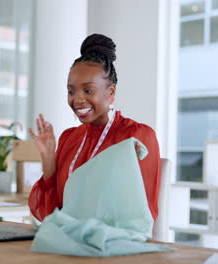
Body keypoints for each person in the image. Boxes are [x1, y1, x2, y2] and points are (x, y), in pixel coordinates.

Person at [28, 33, 161, 222]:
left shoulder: (136, 136)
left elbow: (141, 215)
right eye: (71, 91)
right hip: (68, 242)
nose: (78, 99)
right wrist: (49, 159)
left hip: (113, 245)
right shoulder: (69, 138)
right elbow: (52, 213)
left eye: (88, 90)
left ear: (111, 91)